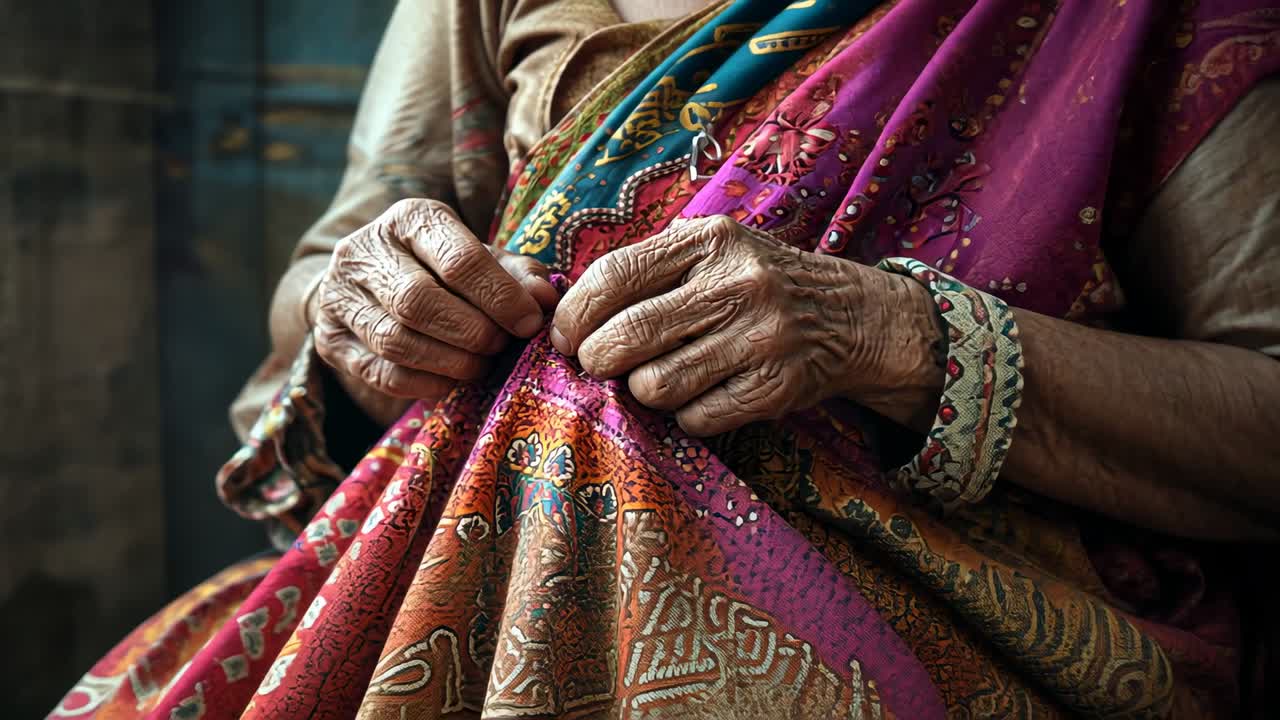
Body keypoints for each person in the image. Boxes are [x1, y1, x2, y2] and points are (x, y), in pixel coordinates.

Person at [51, 0, 1280, 718]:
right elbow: (325, 270)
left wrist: (889, 336)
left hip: (953, 632)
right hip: (450, 591)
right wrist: (369, 312)